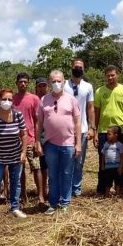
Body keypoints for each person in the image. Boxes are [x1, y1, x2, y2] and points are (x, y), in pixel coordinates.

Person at [35, 70, 81, 215]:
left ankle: (65, 203)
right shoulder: (44, 100)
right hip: (50, 144)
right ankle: (53, 204)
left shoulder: (71, 99)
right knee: (53, 175)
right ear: (49, 83)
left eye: (58, 81)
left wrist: (78, 143)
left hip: (68, 143)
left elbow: (77, 122)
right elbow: (39, 122)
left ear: (64, 82)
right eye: (53, 81)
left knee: (67, 173)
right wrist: (37, 141)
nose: (56, 83)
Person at [0, 89, 28, 223]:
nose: (7, 102)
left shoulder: (18, 115)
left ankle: (15, 207)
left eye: (9, 99)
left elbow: (24, 134)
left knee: (16, 182)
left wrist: (23, 152)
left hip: (15, 155)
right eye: (4, 99)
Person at [93, 65, 123, 195]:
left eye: (113, 75)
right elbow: (96, 113)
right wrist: (95, 131)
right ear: (105, 76)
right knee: (103, 160)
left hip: (120, 130)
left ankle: (120, 189)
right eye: (108, 75)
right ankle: (102, 190)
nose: (110, 77)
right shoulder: (99, 91)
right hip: (103, 131)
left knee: (120, 160)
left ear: (118, 75)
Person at [63, 59, 95, 198]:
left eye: (80, 67)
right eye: (75, 66)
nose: (78, 69)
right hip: (65, 129)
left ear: (84, 69)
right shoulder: (63, 85)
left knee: (79, 161)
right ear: (71, 68)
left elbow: (90, 108)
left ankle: (76, 188)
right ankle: (66, 187)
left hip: (82, 129)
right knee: (66, 160)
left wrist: (92, 127)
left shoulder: (88, 86)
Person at [13, 73, 45, 204]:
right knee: (20, 169)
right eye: (20, 82)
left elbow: (38, 121)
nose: (23, 84)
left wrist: (37, 140)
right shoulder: (12, 99)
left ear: (28, 83)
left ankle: (41, 195)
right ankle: (23, 195)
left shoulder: (34, 99)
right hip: (16, 141)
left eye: (25, 82)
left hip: (31, 139)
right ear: (16, 83)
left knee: (36, 167)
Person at [100, 126, 123, 197]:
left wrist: (121, 166)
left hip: (117, 167)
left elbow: (122, 156)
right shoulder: (106, 144)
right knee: (107, 181)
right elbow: (103, 155)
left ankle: (117, 194)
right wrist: (102, 165)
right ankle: (107, 195)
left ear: (116, 135)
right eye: (107, 134)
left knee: (118, 182)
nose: (107, 136)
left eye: (109, 134)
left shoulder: (119, 145)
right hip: (108, 167)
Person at [35, 77, 49, 187]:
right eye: (40, 86)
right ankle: (42, 190)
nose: (42, 88)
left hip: (49, 137)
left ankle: (47, 189)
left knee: (48, 165)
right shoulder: (34, 101)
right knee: (40, 166)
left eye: (44, 85)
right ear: (36, 88)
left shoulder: (50, 100)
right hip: (36, 137)